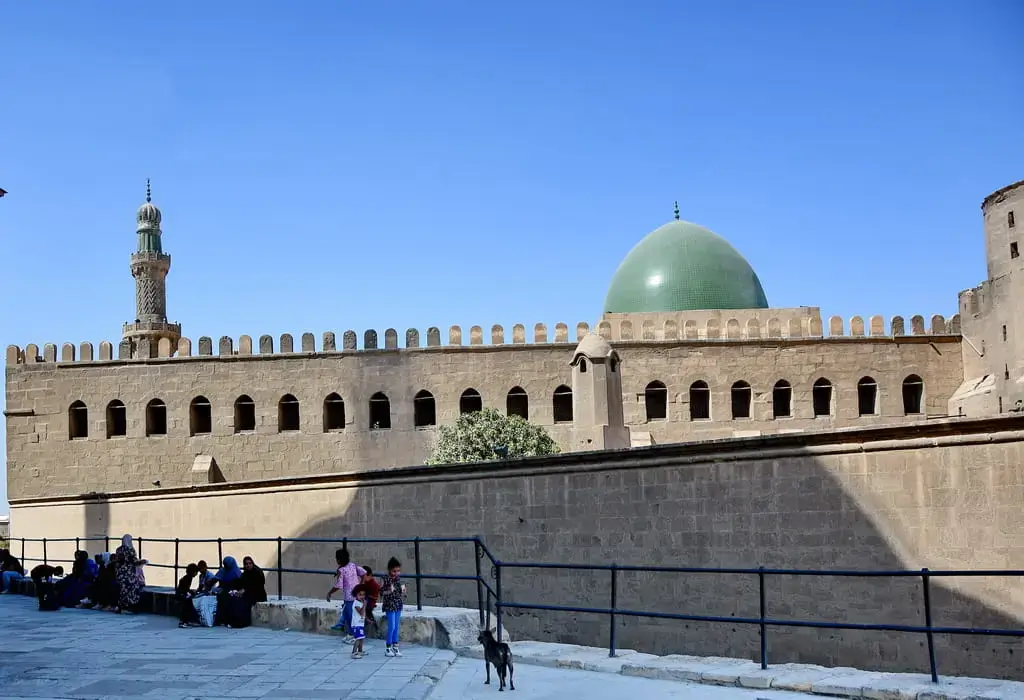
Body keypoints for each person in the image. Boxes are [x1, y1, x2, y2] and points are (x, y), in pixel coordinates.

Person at [326, 548, 365, 642]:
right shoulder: (353, 565)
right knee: (352, 616)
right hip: (357, 595)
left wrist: (329, 593)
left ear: (339, 560)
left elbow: (338, 585)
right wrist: (361, 585)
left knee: (350, 616)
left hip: (349, 597)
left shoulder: (342, 570)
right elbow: (364, 573)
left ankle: (353, 635)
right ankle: (352, 634)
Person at [218, 556, 267, 628]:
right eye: (246, 564)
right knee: (231, 598)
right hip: (248, 593)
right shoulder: (246, 573)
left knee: (242, 603)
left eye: (250, 563)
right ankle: (230, 621)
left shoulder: (257, 572)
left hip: (258, 595)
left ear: (252, 563)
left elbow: (257, 586)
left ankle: (241, 623)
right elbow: (240, 582)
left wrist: (244, 590)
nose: (248, 565)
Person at [381, 557, 407, 657]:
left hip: (397, 604)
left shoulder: (398, 579)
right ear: (389, 569)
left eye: (398, 571)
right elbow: (381, 592)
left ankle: (395, 647)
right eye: (394, 571)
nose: (396, 573)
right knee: (391, 626)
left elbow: (401, 593)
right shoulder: (384, 578)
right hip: (389, 605)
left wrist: (404, 592)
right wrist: (389, 591)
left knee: (396, 626)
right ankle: (388, 648)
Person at [115, 534, 144, 614]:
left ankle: (120, 607)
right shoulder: (130, 550)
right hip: (129, 574)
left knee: (122, 590)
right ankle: (129, 607)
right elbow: (134, 561)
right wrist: (143, 562)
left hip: (120, 573)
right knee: (132, 589)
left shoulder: (118, 549)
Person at [176, 563, 200, 628]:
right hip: (182, 594)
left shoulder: (187, 577)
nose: (196, 574)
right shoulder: (188, 578)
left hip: (182, 593)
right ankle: (184, 621)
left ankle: (186, 621)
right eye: (196, 572)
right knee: (187, 606)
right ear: (192, 572)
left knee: (188, 605)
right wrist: (191, 593)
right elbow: (185, 589)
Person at [359, 567, 381, 635]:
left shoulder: (373, 584)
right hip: (365, 601)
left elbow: (375, 596)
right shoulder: (366, 582)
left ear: (369, 575)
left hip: (370, 602)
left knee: (366, 612)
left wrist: (366, 596)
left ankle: (375, 629)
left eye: (363, 576)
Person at [350, 585, 368, 659]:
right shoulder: (356, 603)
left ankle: (360, 651)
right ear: (356, 594)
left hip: (360, 623)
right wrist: (364, 605)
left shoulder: (360, 603)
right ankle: (354, 652)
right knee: (358, 638)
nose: (362, 596)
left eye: (363, 595)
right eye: (360, 595)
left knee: (361, 638)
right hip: (356, 624)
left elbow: (363, 614)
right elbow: (360, 612)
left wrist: (367, 619)